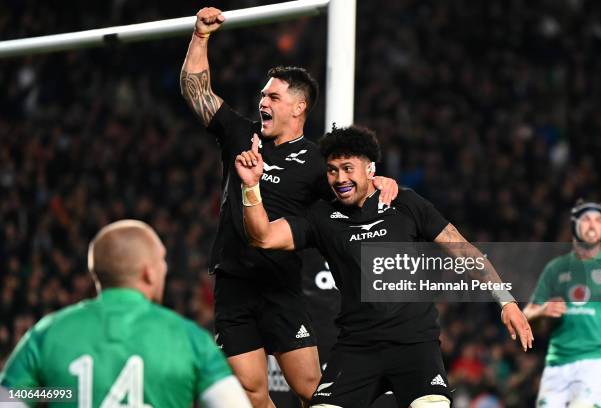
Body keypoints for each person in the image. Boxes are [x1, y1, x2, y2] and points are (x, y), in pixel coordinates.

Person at [180, 7, 398, 407]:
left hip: (281, 286)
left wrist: (376, 182)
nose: (262, 100)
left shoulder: (318, 161)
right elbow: (198, 92)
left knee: (310, 389)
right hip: (233, 284)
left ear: (298, 108)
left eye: (273, 96)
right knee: (249, 393)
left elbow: (352, 197)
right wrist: (200, 37)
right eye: (262, 94)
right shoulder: (240, 135)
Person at [235, 126, 533, 407]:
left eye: (348, 168)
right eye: (332, 170)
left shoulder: (406, 203)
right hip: (358, 347)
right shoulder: (322, 217)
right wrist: (251, 187)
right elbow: (263, 237)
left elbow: (462, 248)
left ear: (370, 169)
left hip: (415, 345)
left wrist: (506, 302)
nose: (340, 178)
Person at [0, 220, 251, 408]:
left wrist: (60, 391)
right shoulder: (189, 339)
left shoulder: (47, 334)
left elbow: (11, 400)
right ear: (148, 273)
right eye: (162, 261)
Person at [524, 200, 601, 408]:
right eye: (587, 219)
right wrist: (543, 311)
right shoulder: (556, 268)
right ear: (574, 225)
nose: (593, 225)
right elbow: (525, 315)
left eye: (599, 220)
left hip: (596, 362)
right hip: (557, 364)